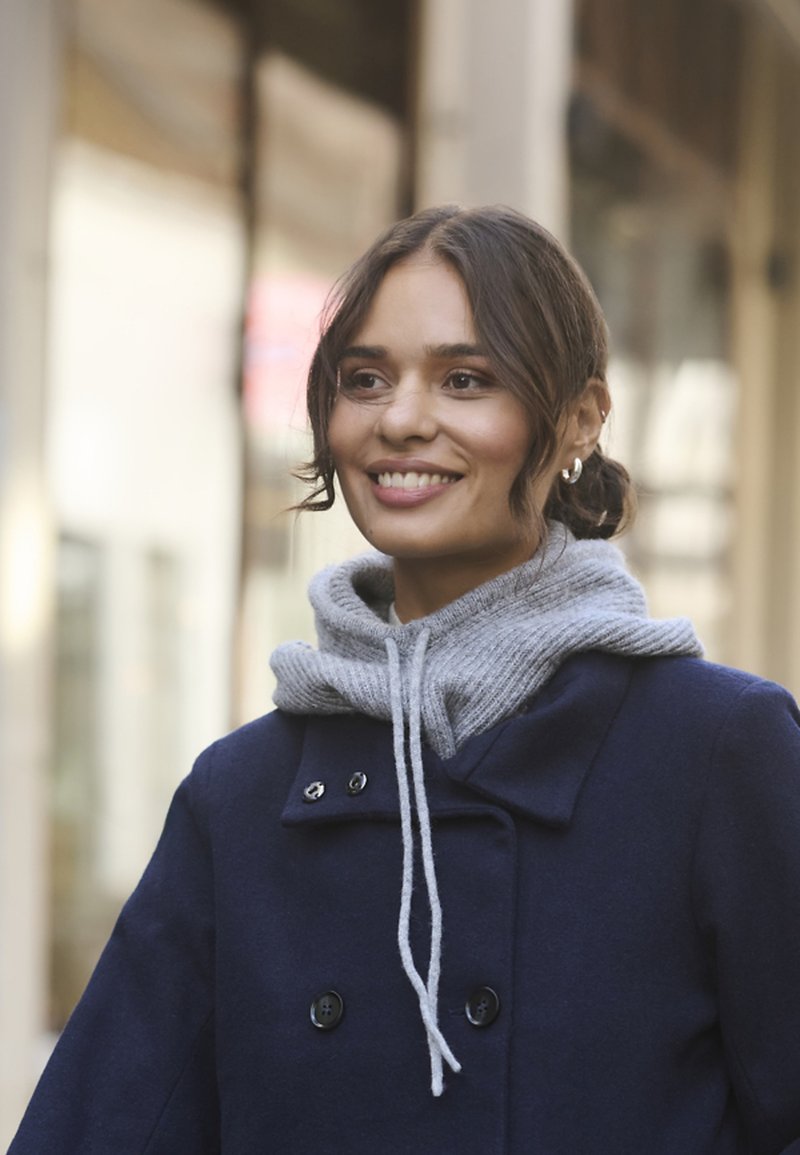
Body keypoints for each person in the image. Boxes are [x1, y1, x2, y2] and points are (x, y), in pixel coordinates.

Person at [10, 204, 800, 1154]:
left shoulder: (717, 750)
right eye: (365, 380)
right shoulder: (245, 795)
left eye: (465, 379)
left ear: (581, 416)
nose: (402, 419)